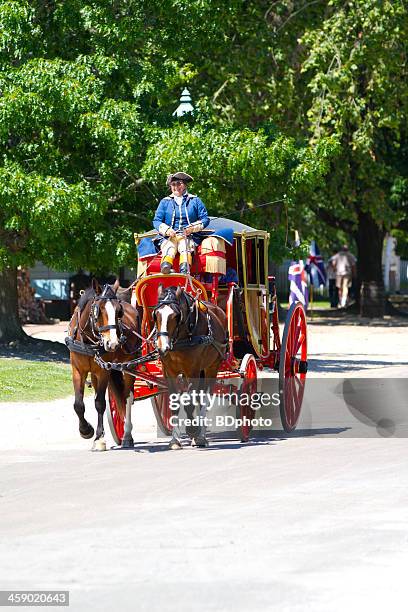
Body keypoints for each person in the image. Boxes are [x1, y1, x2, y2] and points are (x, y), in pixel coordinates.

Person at [153, 172, 210, 274]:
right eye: (173, 184)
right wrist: (167, 230)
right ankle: (165, 266)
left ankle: (184, 269)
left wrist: (192, 228)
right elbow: (156, 221)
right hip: (169, 236)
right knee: (169, 246)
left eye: (179, 183)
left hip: (189, 236)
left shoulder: (195, 200)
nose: (176, 187)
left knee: (185, 246)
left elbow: (205, 219)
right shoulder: (164, 202)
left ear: (185, 185)